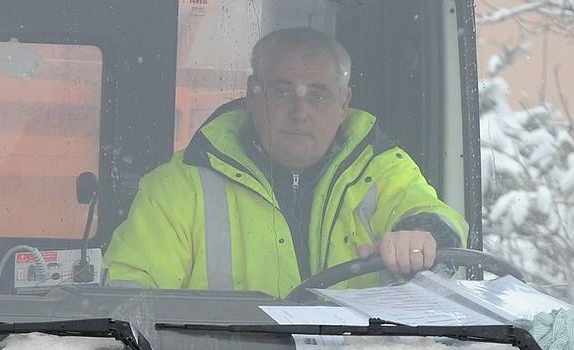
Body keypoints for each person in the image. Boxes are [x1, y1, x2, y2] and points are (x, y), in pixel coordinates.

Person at [104, 27, 466, 296]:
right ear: (252, 94)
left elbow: (433, 215)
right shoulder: (179, 187)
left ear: (344, 103)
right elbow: (128, 297)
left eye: (318, 96)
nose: (300, 112)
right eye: (282, 92)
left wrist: (422, 235)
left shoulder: (385, 170)